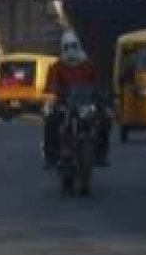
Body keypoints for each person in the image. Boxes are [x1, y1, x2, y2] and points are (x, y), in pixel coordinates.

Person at [43, 30, 111, 169]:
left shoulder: (88, 65)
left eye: (73, 46)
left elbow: (97, 84)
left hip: (85, 104)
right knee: (51, 119)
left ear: (79, 46)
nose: (70, 50)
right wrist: (53, 93)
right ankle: (51, 157)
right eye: (67, 47)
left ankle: (101, 154)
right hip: (65, 104)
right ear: (62, 48)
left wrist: (102, 96)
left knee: (105, 117)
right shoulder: (56, 67)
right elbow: (51, 85)